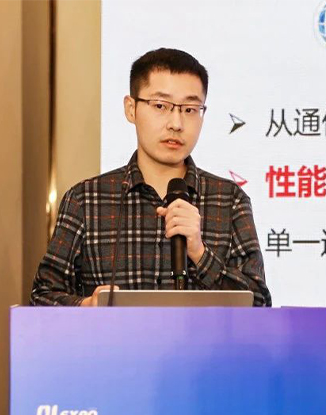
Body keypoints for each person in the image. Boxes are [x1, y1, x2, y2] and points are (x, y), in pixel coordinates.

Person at [30, 48, 271, 307]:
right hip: (114, 336)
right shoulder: (85, 200)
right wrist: (87, 306)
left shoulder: (230, 200)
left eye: (190, 109)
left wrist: (200, 253)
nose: (176, 123)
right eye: (160, 106)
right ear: (131, 109)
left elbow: (258, 304)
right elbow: (42, 296)